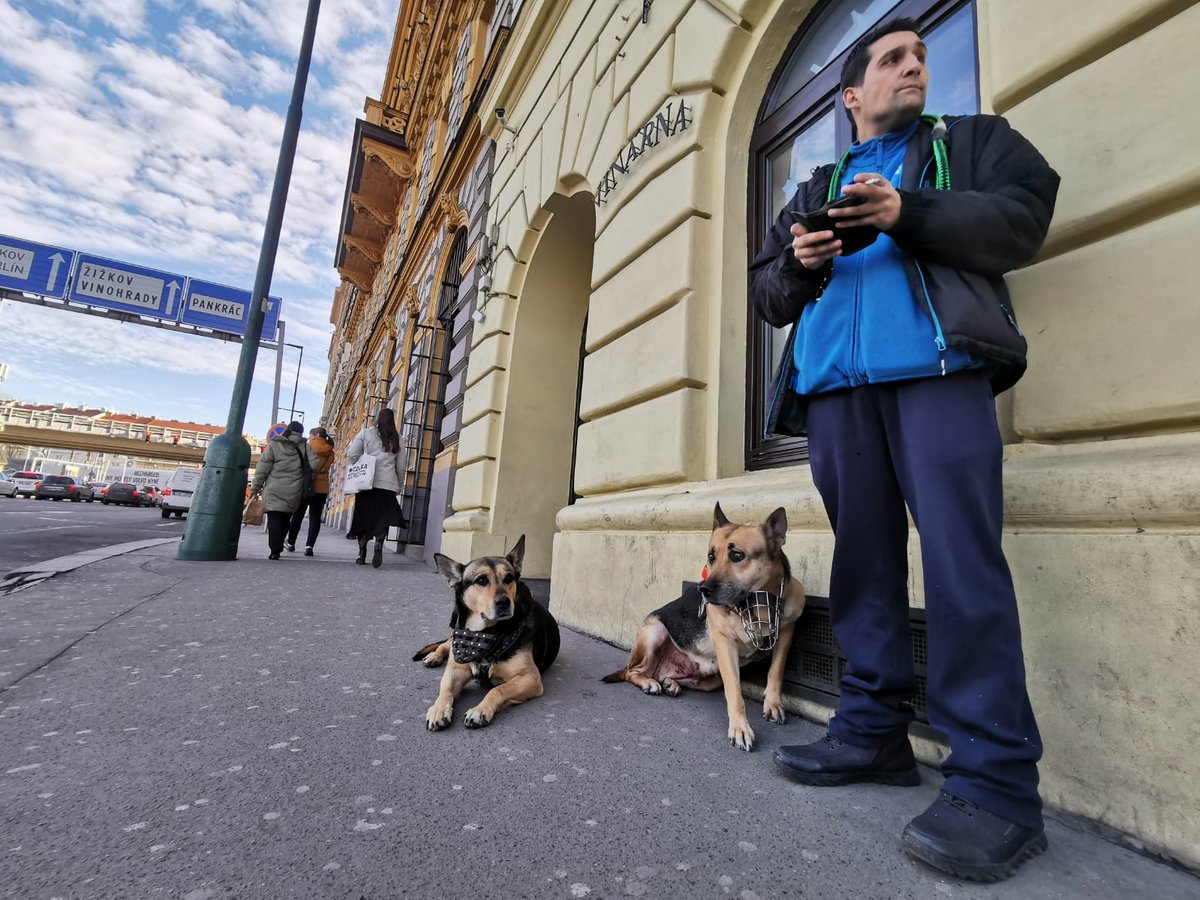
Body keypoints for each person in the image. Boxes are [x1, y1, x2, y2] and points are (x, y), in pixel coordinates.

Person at [748, 18, 1059, 883]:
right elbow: (769, 293)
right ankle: (872, 731)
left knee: (964, 566)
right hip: (838, 397)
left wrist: (909, 212)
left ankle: (996, 785)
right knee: (865, 566)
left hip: (938, 377)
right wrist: (804, 260)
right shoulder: (817, 181)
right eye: (891, 59)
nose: (913, 66)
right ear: (852, 96)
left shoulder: (972, 142)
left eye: (920, 56)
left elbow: (1023, 220)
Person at [345, 407, 407, 568]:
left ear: (377, 419)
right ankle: (379, 543)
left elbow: (352, 454)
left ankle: (362, 552)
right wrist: (399, 484)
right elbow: (401, 466)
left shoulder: (365, 433)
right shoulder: (398, 439)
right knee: (382, 519)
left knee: (364, 519)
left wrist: (358, 462)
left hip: (367, 483)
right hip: (387, 485)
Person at [250, 421, 319, 560]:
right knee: (286, 518)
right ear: (301, 432)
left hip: (273, 487)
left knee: (274, 518)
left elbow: (262, 468)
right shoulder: (305, 447)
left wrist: (255, 487)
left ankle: (275, 550)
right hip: (294, 488)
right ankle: (279, 544)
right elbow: (315, 464)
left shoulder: (275, 444)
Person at [285, 426, 334, 556]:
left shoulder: (307, 446)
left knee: (298, 515)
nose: (310, 437)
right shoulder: (330, 450)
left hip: (306, 484)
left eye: (311, 435)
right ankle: (309, 546)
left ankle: (290, 543)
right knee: (315, 518)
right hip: (322, 487)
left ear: (316, 435)